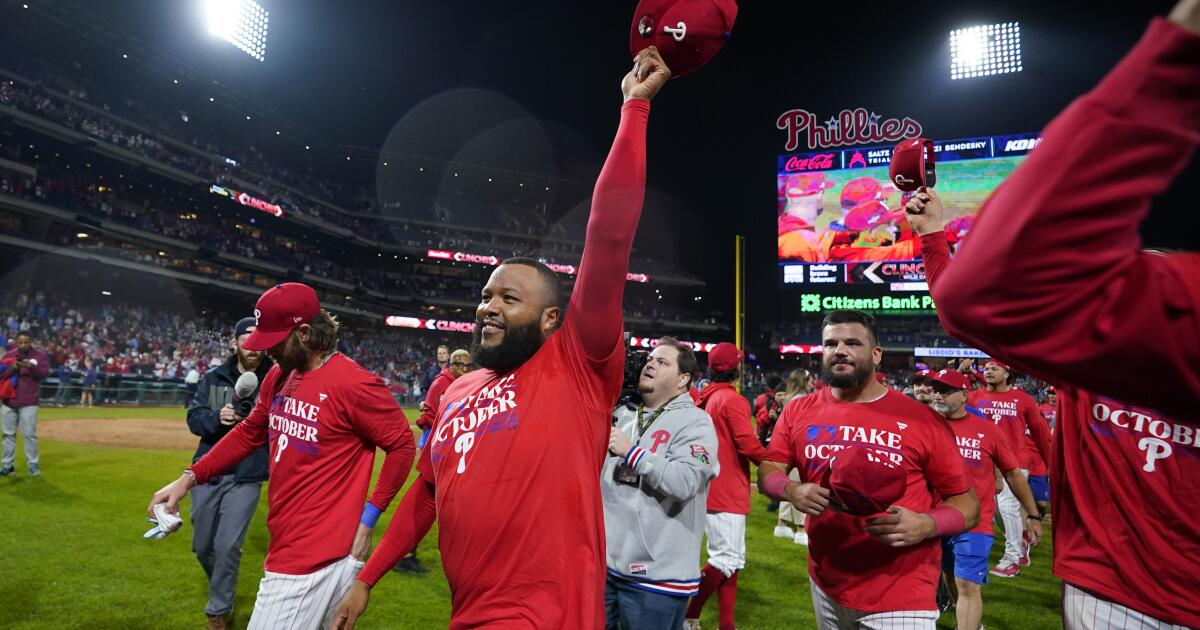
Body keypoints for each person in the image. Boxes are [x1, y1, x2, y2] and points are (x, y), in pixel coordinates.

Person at [332, 48, 671, 630]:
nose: (488, 306)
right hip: (468, 611)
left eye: (508, 298)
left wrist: (634, 110)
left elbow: (609, 237)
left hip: (547, 613)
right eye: (487, 295)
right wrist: (366, 579)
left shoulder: (577, 365)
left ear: (549, 320)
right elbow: (429, 495)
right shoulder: (460, 388)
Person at [907, 5, 1200, 616]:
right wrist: (934, 236)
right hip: (1114, 584)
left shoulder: (1098, 344)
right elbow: (976, 311)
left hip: (1118, 591)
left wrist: (1178, 54)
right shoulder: (1094, 351)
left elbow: (980, 300)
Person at [147, 283, 416, 629]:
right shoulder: (279, 374)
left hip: (316, 553)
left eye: (274, 338)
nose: (267, 348)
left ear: (304, 333)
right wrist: (188, 478)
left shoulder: (354, 384)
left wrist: (368, 520)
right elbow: (250, 431)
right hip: (288, 537)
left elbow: (402, 446)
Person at [758, 310, 978, 629]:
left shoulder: (922, 420)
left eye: (852, 343)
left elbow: (968, 503)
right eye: (831, 343)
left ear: (876, 354)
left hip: (900, 590)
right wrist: (790, 490)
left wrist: (928, 524)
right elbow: (769, 469)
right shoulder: (799, 410)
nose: (840, 350)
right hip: (825, 582)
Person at [603, 337, 718, 630]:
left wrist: (633, 452)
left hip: (657, 578)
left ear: (683, 379)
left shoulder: (697, 422)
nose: (650, 364)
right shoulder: (621, 412)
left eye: (662, 361)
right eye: (650, 359)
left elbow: (686, 482)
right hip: (604, 568)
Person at [927, 369, 1042, 630]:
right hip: (934, 519)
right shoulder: (925, 426)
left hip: (974, 521)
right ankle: (971, 624)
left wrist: (1033, 515)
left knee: (967, 583)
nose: (938, 395)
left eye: (946, 391)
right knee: (949, 576)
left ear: (965, 395)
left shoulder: (987, 430)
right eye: (936, 390)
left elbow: (1013, 473)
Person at [185, 316, 274, 630]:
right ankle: (222, 588)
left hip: (245, 475)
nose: (252, 345)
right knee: (202, 547)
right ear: (236, 342)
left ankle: (218, 609)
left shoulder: (275, 380)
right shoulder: (214, 378)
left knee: (227, 546)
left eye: (258, 338)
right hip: (208, 470)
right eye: (245, 338)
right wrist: (214, 417)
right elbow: (194, 418)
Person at [683, 342, 767, 630]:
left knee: (732, 559)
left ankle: (726, 624)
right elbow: (747, 444)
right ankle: (689, 613)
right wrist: (775, 462)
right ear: (737, 368)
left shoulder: (705, 397)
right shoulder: (731, 399)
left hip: (708, 485)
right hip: (725, 487)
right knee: (726, 558)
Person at [963, 359, 1051, 578]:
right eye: (987, 369)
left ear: (1007, 373)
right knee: (994, 510)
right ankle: (1020, 539)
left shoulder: (1024, 400)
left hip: (1015, 462)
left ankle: (1012, 560)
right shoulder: (975, 397)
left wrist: (1052, 464)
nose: (988, 371)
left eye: (994, 368)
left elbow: (1041, 434)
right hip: (986, 463)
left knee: (1007, 505)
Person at [395, 347, 471, 576]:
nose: (466, 370)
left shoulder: (455, 382)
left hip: (450, 451)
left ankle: (411, 553)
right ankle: (405, 555)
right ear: (453, 364)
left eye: (468, 366)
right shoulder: (442, 383)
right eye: (462, 365)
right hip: (438, 453)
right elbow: (431, 416)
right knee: (428, 505)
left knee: (441, 506)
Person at [772, 368, 813, 545]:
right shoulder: (803, 400)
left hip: (786, 449)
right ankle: (801, 530)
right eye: (810, 380)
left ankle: (782, 524)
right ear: (804, 381)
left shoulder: (791, 399)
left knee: (789, 487)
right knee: (799, 488)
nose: (813, 382)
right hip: (798, 449)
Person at [0, 331, 50, 476]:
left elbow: (44, 373)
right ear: (16, 342)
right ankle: (7, 466)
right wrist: (13, 368)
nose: (23, 345)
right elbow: (1, 374)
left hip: (29, 401)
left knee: (29, 435)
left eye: (26, 342)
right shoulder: (9, 355)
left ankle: (33, 465)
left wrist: (31, 366)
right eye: (20, 342)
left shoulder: (39, 356)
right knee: (7, 435)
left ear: (31, 341)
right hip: (9, 400)